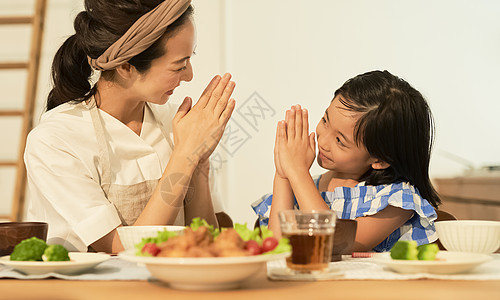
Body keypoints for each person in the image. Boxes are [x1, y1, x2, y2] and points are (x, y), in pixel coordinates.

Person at [24, 0, 236, 253]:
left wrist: (199, 162)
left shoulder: (176, 122)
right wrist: (184, 156)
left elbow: (204, 239)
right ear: (125, 66)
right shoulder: (56, 139)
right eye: (179, 65)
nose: (189, 75)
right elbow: (119, 248)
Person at [252, 70, 440, 252]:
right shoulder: (303, 187)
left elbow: (332, 244)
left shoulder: (395, 199)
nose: (323, 141)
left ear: (381, 160)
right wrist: (284, 175)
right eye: (325, 121)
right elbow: (276, 249)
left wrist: (299, 173)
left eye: (340, 141)